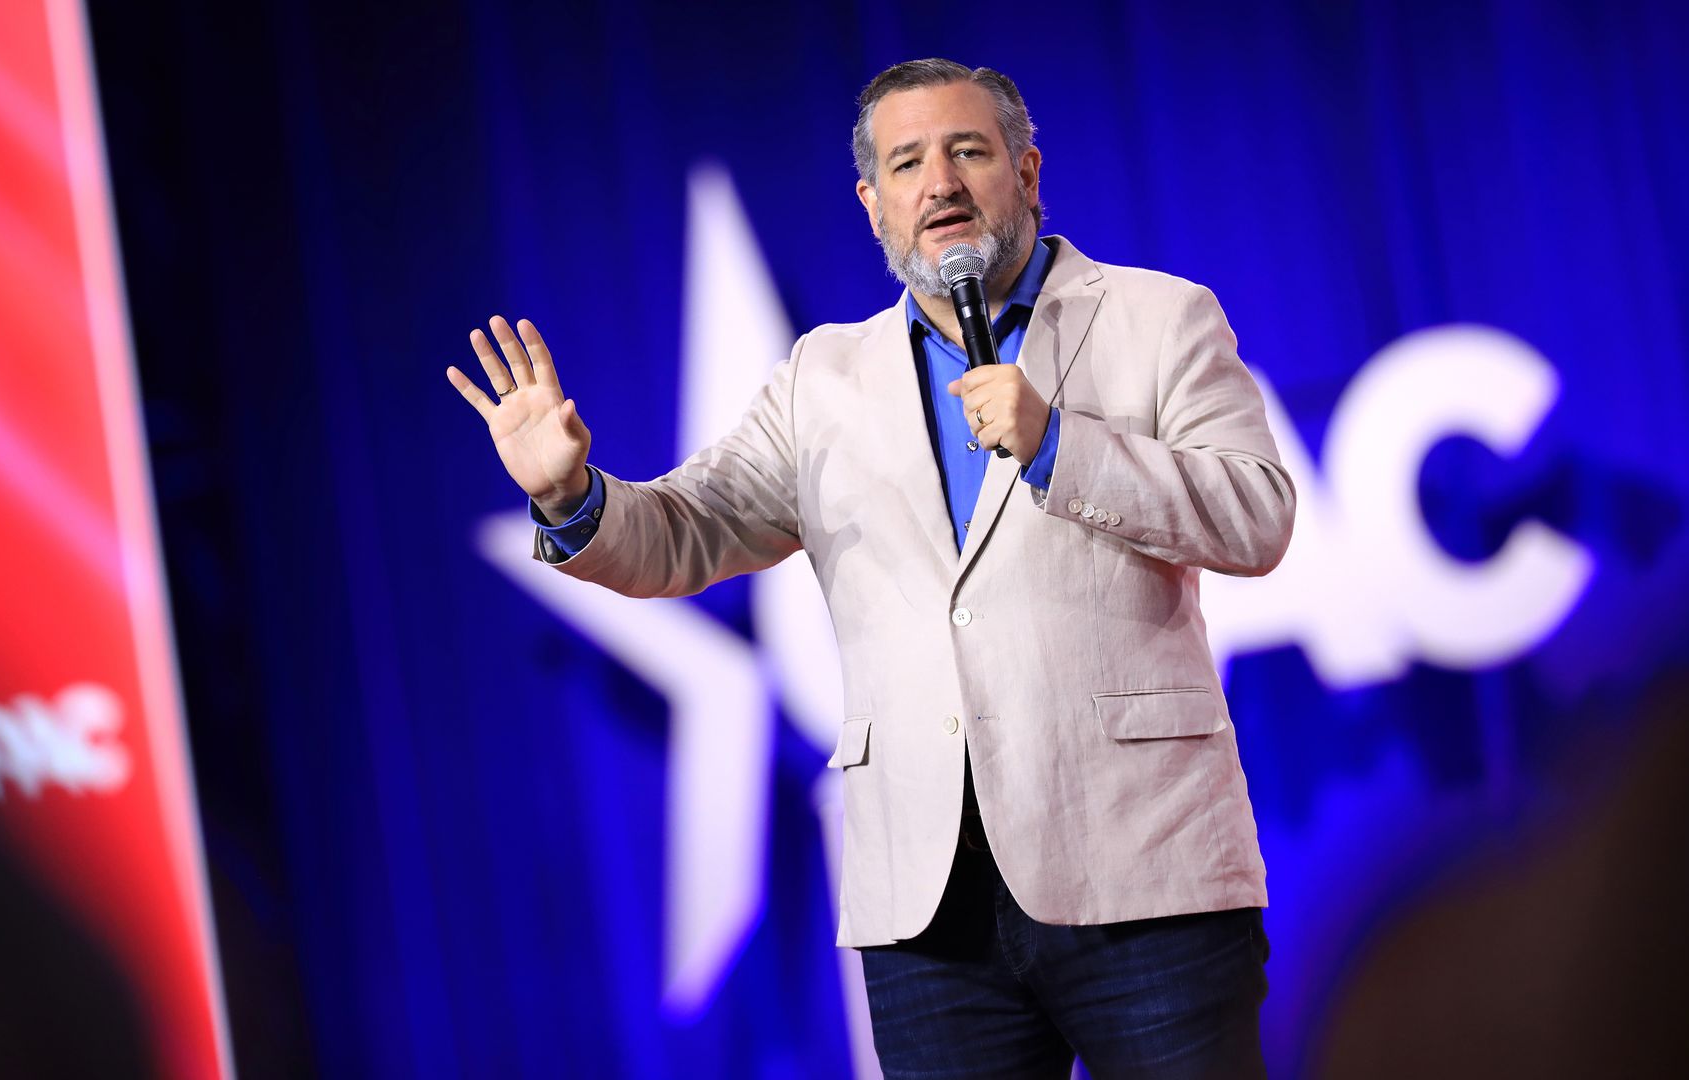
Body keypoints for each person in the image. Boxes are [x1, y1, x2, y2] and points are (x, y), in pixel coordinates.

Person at [449, 58, 1293, 1080]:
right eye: (907, 163)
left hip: (1144, 884)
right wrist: (571, 495)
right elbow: (685, 531)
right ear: (874, 206)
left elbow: (1258, 516)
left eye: (968, 151)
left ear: (1028, 172)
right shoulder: (824, 380)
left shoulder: (1159, 320)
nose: (939, 182)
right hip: (929, 917)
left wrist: (1063, 445)